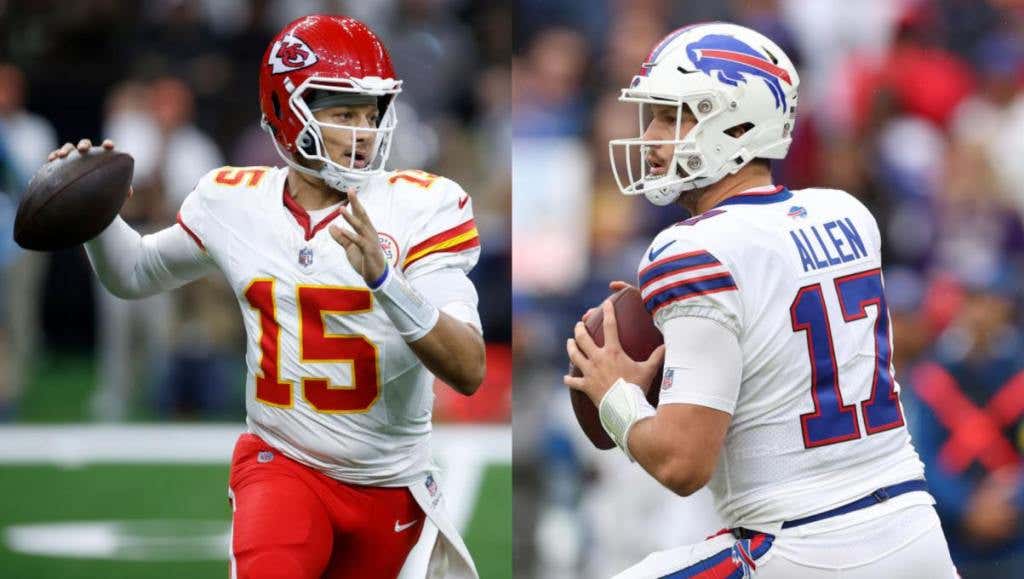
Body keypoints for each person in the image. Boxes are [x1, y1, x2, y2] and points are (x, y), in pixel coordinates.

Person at [49, 14, 485, 579]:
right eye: (344, 114)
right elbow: (134, 274)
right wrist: (95, 216)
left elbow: (469, 367)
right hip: (283, 463)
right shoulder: (233, 202)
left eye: (371, 114)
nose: (365, 133)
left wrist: (386, 283)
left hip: (390, 482)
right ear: (289, 113)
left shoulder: (423, 207)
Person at [564, 22, 957, 578]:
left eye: (674, 116)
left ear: (740, 122)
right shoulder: (847, 214)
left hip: (801, 547)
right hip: (915, 531)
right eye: (653, 115)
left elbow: (682, 464)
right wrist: (684, 318)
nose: (651, 137)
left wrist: (614, 396)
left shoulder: (689, 249)